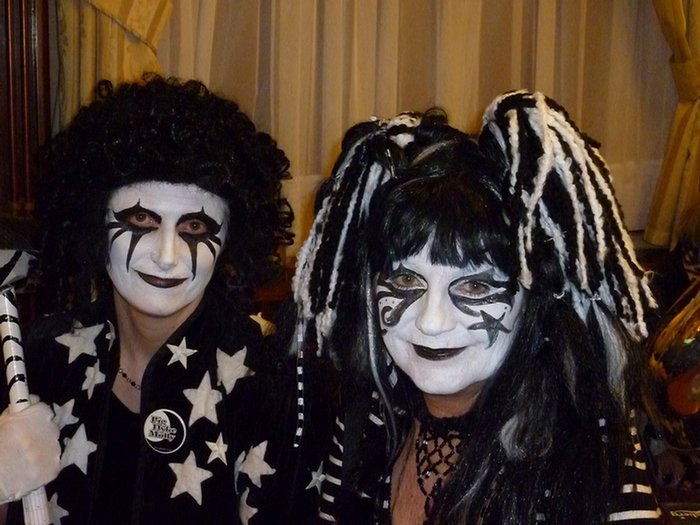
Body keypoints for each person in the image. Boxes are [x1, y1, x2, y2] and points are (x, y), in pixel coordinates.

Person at [291, 92, 662, 523]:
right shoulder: (368, 420)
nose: (432, 322)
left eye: (474, 286)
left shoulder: (592, 455)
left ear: (533, 298)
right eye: (406, 280)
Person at [1, 75, 325, 524]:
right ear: (95, 222)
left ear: (230, 240)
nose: (167, 256)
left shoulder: (271, 383)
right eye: (140, 219)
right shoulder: (36, 358)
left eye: (194, 227)